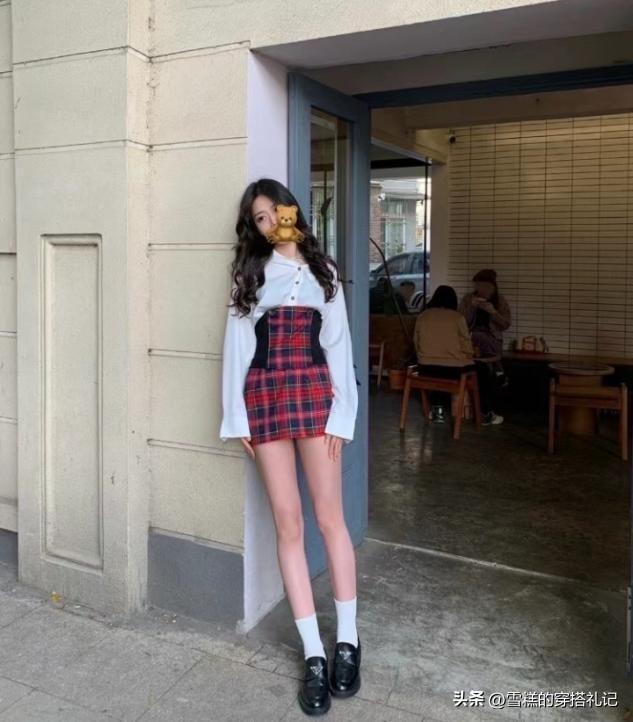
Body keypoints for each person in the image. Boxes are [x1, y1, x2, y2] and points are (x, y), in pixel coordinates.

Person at [219, 178, 361, 716]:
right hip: (264, 396)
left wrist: (342, 416)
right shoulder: (250, 275)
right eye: (258, 217)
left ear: (292, 210)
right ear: (254, 228)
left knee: (330, 519)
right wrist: (238, 419)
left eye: (273, 210)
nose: (269, 221)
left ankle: (347, 640)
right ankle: (315, 655)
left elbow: (338, 345)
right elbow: (237, 347)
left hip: (315, 395)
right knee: (289, 524)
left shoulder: (325, 273)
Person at [413, 285, 497, 425]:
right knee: (483, 370)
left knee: (438, 374)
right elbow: (466, 346)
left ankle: (437, 410)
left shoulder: (423, 316)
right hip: (454, 370)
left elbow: (416, 342)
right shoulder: (457, 317)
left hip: (426, 368)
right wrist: (469, 355)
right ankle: (485, 413)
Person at [459, 269, 512, 421]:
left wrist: (493, 312)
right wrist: (472, 307)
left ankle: (497, 372)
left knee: (479, 337)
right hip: (471, 342)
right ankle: (498, 371)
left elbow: (506, 324)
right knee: (475, 339)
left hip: (491, 342)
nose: (481, 289)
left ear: (492, 287)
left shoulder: (500, 301)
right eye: (478, 285)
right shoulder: (468, 299)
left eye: (484, 286)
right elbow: (460, 322)